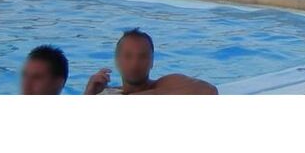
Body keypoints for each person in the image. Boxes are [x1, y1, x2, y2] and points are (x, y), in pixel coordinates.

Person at [84, 28, 217, 95]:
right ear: (117, 60)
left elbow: (209, 91)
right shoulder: (109, 93)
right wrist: (88, 94)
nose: (135, 63)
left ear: (152, 61)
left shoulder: (165, 84)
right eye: (128, 56)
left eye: (142, 56)